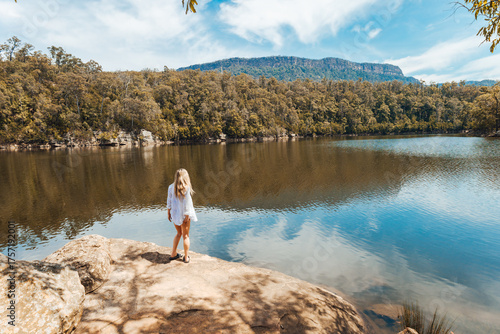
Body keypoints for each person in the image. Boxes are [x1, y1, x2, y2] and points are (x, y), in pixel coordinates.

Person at [167, 168, 197, 263]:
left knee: (179, 233)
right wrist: (187, 215)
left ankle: (173, 254)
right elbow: (187, 202)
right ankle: (186, 257)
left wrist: (168, 212)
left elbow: (169, 201)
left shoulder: (171, 187)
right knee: (186, 236)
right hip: (184, 215)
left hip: (175, 214)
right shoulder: (186, 187)